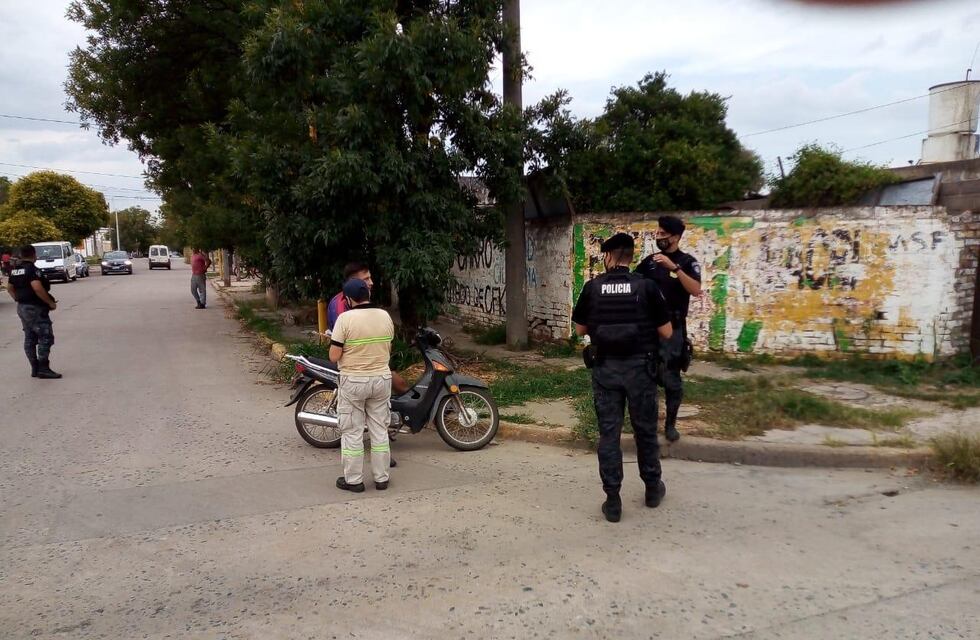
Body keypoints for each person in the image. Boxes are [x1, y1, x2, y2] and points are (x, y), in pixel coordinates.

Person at [573, 233, 673, 523]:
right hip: (641, 370)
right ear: (629, 256)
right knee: (644, 431)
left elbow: (580, 330)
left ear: (608, 256)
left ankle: (613, 500)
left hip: (606, 370)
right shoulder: (647, 287)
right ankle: (652, 488)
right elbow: (666, 333)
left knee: (609, 435)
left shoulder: (592, 288)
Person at [635, 216, 702, 443]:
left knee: (672, 379)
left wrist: (675, 269)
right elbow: (634, 285)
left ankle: (670, 424)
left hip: (673, 330)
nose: (659, 237)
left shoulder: (687, 262)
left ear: (675, 237)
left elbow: (695, 290)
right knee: (647, 377)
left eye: (663, 234)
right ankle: (648, 424)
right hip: (649, 329)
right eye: (658, 234)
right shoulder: (649, 262)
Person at [329, 278, 394, 493]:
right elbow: (387, 347)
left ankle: (354, 480)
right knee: (379, 429)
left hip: (354, 381)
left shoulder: (345, 319)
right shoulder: (385, 316)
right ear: (367, 295)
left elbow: (334, 355)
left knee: (352, 431)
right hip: (381, 379)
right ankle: (382, 478)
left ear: (348, 299)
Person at [327, 261, 409, 396]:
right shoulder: (341, 307)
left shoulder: (362, 301)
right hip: (356, 365)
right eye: (366, 279)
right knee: (396, 383)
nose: (371, 283)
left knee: (397, 383)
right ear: (354, 282)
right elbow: (338, 348)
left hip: (371, 359)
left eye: (370, 278)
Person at [5, 245, 61, 379]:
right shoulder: (32, 269)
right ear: (34, 254)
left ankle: (35, 368)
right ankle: (43, 368)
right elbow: (37, 288)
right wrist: (50, 302)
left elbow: (9, 288)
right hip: (35, 308)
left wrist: (18, 299)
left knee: (29, 337)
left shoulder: (16, 270)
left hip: (23, 307)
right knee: (45, 337)